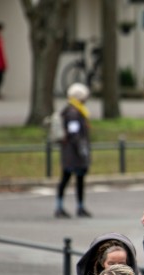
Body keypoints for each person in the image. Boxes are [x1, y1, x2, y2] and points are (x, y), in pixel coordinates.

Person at [55, 83, 92, 218]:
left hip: (71, 152)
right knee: (66, 179)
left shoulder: (75, 110)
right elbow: (74, 133)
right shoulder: (73, 113)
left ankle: (79, 206)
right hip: (73, 153)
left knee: (77, 180)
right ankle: (60, 207)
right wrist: (82, 149)